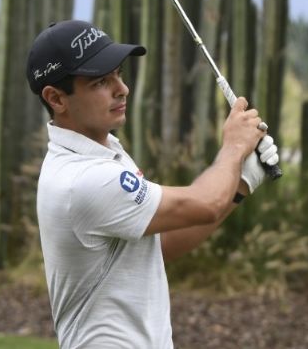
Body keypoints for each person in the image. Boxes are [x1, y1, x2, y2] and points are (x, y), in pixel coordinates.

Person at [26, 20, 280, 349]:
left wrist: (241, 182)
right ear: (56, 99)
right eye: (102, 81)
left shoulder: (103, 152)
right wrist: (234, 148)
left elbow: (160, 245)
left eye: (119, 73)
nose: (122, 88)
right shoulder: (83, 180)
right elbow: (204, 204)